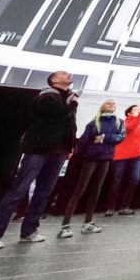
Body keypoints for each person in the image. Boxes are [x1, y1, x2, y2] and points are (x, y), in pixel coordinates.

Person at [0, 71, 79, 249]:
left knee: (44, 191)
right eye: (64, 73)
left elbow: (70, 125)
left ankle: (29, 231)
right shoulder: (47, 96)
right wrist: (72, 103)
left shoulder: (67, 99)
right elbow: (58, 116)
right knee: (19, 189)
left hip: (58, 151)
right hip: (38, 150)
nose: (69, 74)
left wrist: (71, 145)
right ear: (55, 80)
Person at [58, 99, 125, 238]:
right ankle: (65, 226)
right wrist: (72, 151)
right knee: (80, 190)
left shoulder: (119, 122)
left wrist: (104, 137)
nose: (112, 104)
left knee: (96, 190)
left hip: (105, 159)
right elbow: (83, 141)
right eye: (108, 103)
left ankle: (88, 223)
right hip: (91, 159)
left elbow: (120, 137)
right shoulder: (93, 123)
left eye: (114, 103)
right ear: (102, 106)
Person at [106, 104, 140, 217]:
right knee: (117, 182)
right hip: (120, 157)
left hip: (135, 157)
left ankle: (124, 207)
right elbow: (130, 128)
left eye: (138, 109)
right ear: (128, 113)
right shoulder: (123, 123)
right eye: (134, 110)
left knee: (134, 180)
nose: (138, 111)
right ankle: (111, 208)